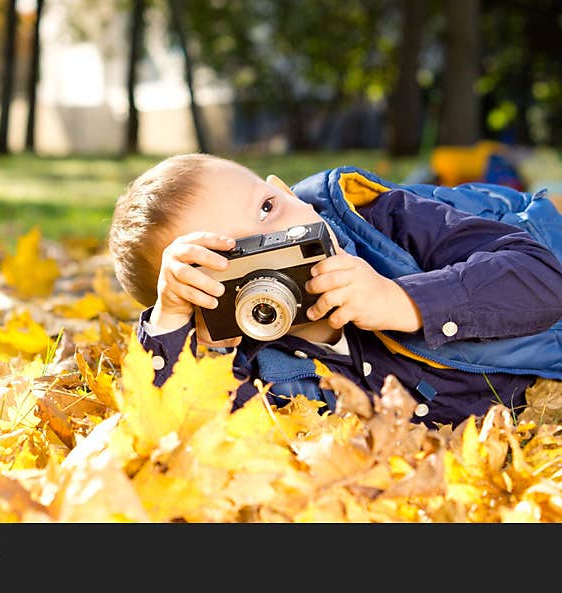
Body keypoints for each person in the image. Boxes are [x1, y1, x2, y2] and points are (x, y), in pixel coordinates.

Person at [107, 153, 562, 427]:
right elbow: (195, 431)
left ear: (288, 192)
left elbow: (541, 276)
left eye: (269, 208)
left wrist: (399, 301)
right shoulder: (258, 363)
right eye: (233, 261)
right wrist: (173, 327)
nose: (282, 240)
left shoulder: (383, 220)